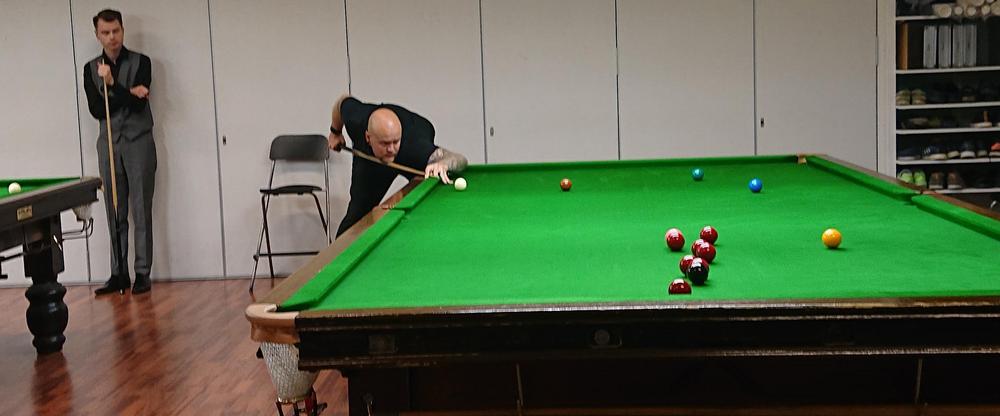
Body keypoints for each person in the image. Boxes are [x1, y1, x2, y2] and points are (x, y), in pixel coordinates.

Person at [83, 9, 157, 295]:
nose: (112, 37)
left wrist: (113, 85)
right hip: (109, 144)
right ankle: (118, 273)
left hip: (139, 142)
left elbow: (140, 105)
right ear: (97, 35)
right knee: (115, 209)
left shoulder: (142, 62)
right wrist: (128, 93)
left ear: (123, 30)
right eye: (106, 32)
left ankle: (142, 273)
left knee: (141, 208)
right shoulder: (90, 69)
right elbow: (96, 109)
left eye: (116, 31)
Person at [328, 95, 467, 236]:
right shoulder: (356, 118)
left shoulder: (415, 147)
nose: (391, 149)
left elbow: (459, 159)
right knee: (357, 214)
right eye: (385, 143)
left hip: (409, 155)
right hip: (371, 162)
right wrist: (335, 132)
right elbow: (341, 102)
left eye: (395, 142)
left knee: (427, 198)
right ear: (368, 137)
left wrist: (442, 163)